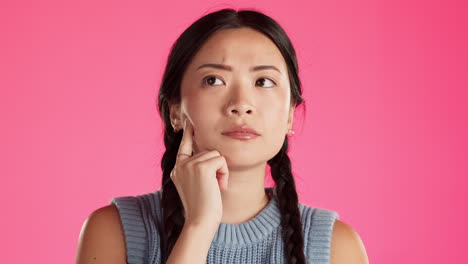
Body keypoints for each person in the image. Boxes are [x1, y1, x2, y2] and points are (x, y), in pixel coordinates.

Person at [76, 8, 369, 264]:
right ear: (175, 110)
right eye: (213, 80)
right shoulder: (115, 231)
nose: (241, 103)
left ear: (290, 114)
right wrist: (198, 227)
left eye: (263, 81)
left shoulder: (334, 247)